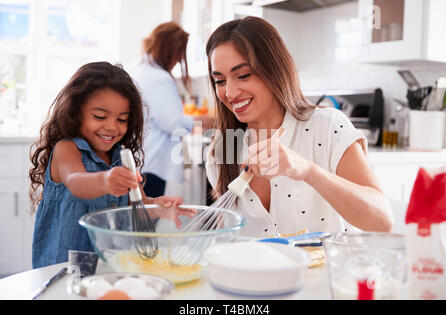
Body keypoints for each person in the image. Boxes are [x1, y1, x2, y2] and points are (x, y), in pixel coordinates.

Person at [204, 17, 394, 237]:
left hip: (328, 271)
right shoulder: (221, 150)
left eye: (244, 75)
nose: (230, 92)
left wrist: (308, 171)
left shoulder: (326, 127)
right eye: (220, 81)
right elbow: (228, 238)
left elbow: (383, 220)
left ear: (274, 69)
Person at [29, 62, 193, 268]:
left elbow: (137, 204)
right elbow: (75, 182)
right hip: (63, 269)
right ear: (75, 111)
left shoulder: (123, 157)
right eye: (100, 116)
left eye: (122, 119)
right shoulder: (67, 149)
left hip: (108, 265)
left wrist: (159, 207)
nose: (112, 127)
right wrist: (106, 180)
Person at [128, 22, 214, 198]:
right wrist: (209, 121)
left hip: (141, 160)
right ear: (171, 50)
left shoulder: (138, 69)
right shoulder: (158, 78)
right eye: (178, 55)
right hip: (151, 164)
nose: (177, 62)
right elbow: (174, 123)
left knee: (139, 220)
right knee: (145, 220)